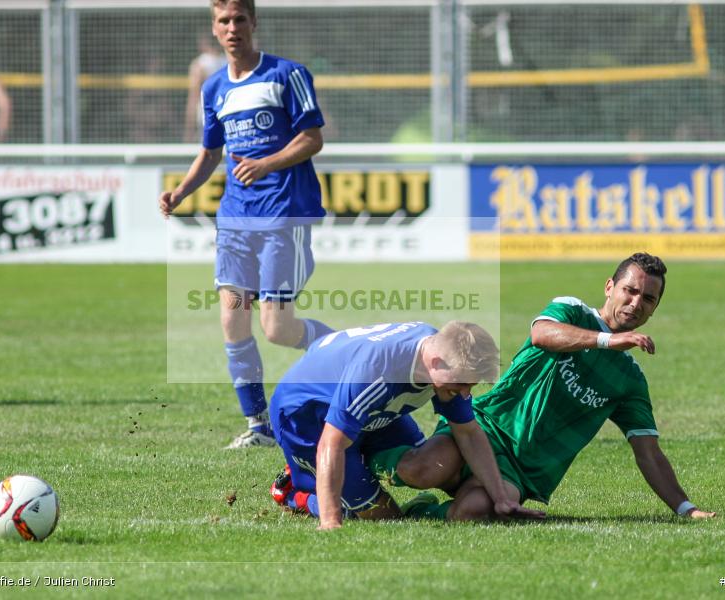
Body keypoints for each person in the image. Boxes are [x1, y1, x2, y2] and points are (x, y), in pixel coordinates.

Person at [370, 253, 717, 521]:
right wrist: (608, 341)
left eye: (648, 299)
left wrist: (686, 507)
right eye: (630, 290)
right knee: (421, 469)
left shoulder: (630, 381)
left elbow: (648, 451)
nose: (636, 303)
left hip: (520, 470)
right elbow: (542, 334)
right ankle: (365, 456)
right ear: (610, 287)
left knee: (471, 513)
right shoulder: (571, 311)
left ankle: (420, 511)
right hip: (484, 428)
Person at [159, 0, 334, 448]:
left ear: (253, 23)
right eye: (224, 21)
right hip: (235, 219)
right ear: (214, 29)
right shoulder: (214, 87)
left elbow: (313, 137)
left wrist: (266, 163)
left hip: (282, 215)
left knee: (277, 329)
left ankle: (344, 349)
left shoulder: (286, 75)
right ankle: (258, 426)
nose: (232, 27)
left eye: (239, 19)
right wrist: (181, 192)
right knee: (233, 319)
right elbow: (211, 152)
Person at [268, 321, 546, 530]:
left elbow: (469, 433)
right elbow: (331, 442)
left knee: (427, 467)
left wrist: (500, 498)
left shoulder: (441, 354)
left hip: (370, 411)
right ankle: (296, 491)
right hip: (306, 418)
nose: (464, 393)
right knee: (380, 516)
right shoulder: (377, 372)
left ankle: (348, 473)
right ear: (436, 363)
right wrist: (330, 522)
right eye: (462, 384)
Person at [184, 35, 228, 142]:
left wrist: (188, 127)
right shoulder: (228, 61)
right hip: (227, 111)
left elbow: (194, 96)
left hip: (207, 114)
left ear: (203, 43)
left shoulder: (200, 64)